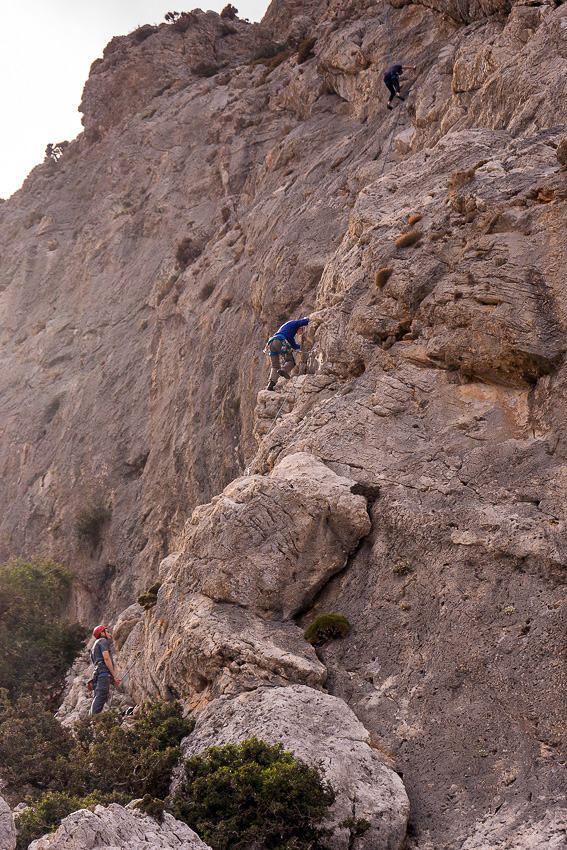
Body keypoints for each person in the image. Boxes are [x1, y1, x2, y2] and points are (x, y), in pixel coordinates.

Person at [265, 317, 310, 391]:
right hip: (280, 341)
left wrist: (303, 347)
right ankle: (284, 370)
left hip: (271, 343)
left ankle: (271, 383)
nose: (300, 333)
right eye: (301, 331)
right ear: (300, 327)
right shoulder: (294, 324)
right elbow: (299, 322)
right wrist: (309, 320)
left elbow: (294, 346)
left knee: (275, 366)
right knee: (290, 361)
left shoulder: (288, 332)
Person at [89, 625, 121, 714]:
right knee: (100, 697)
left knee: (97, 696)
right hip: (103, 673)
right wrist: (114, 676)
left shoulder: (93, 647)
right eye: (107, 632)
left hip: (97, 673)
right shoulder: (103, 641)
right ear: (102, 633)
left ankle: (90, 720)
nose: (110, 634)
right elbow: (106, 658)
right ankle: (92, 721)